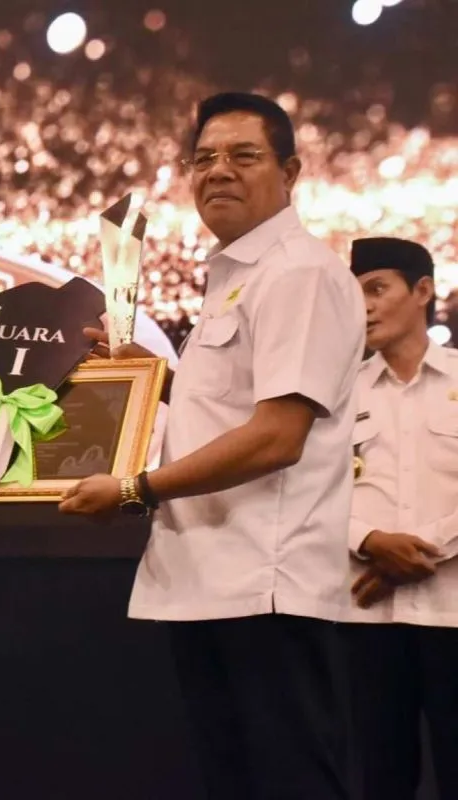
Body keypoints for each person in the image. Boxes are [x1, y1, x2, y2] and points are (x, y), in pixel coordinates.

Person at [61, 91, 365, 799]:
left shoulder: (298, 273)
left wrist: (134, 489)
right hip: (214, 582)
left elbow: (277, 437)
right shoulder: (238, 276)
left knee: (289, 783)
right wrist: (149, 377)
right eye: (204, 159)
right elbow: (228, 410)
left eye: (243, 155)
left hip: (267, 587)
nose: (218, 171)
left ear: (290, 172)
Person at [343, 236, 458, 799]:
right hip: (367, 619)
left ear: (423, 290)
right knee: (379, 775)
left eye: (376, 288)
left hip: (452, 609)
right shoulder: (338, 395)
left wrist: (411, 553)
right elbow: (313, 490)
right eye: (354, 293)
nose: (363, 306)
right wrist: (370, 540)